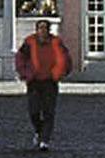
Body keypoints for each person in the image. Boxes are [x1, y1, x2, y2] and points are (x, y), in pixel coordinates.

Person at [14, 18, 73, 150]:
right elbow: (20, 57)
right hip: (34, 80)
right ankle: (39, 131)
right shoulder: (29, 43)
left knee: (49, 111)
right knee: (34, 111)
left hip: (50, 81)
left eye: (45, 28)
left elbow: (66, 58)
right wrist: (24, 72)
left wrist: (63, 72)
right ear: (36, 30)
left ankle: (45, 139)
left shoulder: (56, 43)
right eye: (40, 28)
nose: (43, 30)